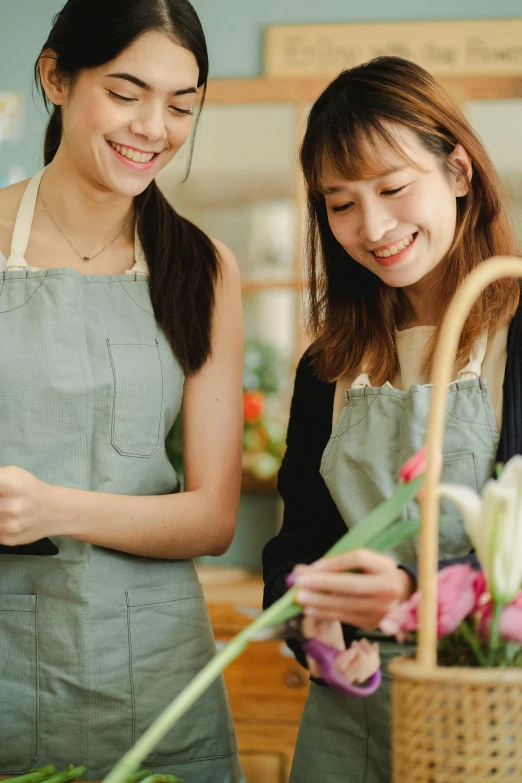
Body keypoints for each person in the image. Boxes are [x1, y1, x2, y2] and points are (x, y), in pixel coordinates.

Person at [0, 1, 243, 780]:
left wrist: (53, 508)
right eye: (127, 92)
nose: (153, 127)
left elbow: (212, 517)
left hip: (150, 673)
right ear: (56, 77)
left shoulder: (204, 269)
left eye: (180, 105)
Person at [262, 56, 522, 783]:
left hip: (494, 716)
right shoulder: (329, 365)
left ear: (461, 171)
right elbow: (295, 546)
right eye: (340, 203)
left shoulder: (514, 330)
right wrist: (315, 626)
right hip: (352, 720)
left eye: (393, 188)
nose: (371, 226)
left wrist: (416, 601)